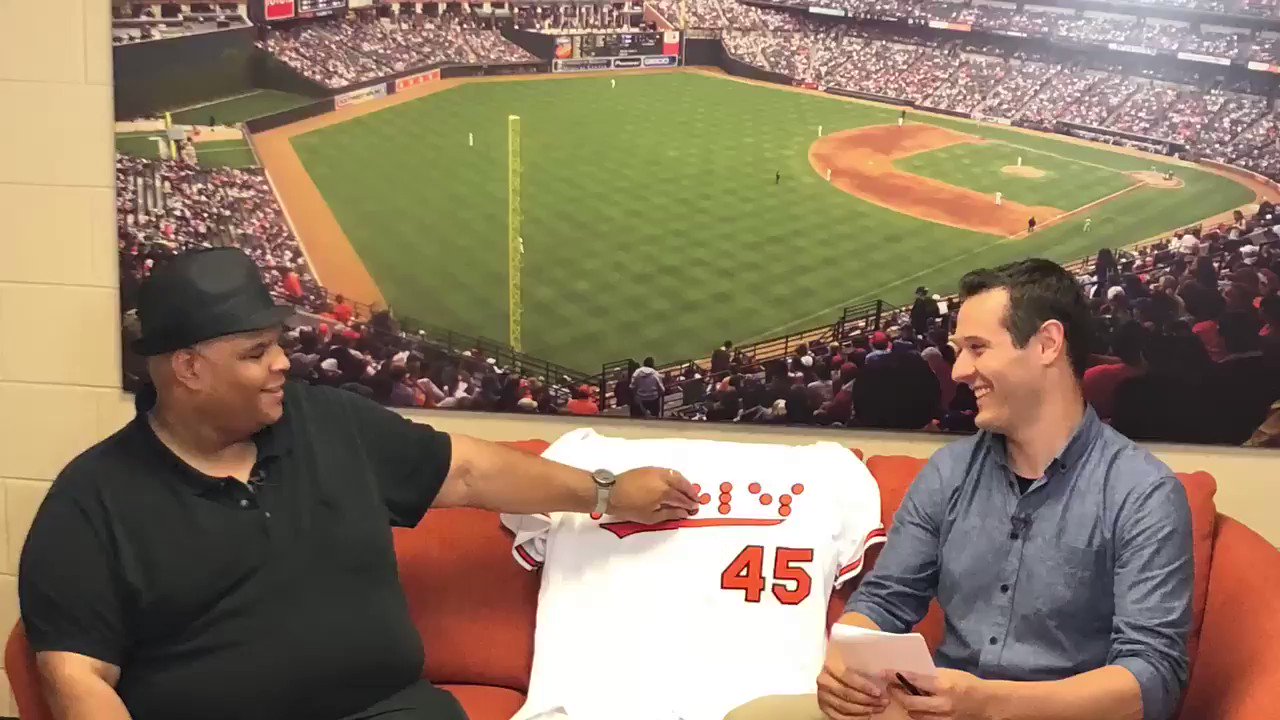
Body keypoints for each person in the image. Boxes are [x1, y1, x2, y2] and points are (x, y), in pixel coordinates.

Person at [19, 249, 699, 720]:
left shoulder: (329, 422)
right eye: (256, 354)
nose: (284, 362)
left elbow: (467, 470)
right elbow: (76, 677)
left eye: (277, 342)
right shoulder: (93, 500)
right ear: (188, 370)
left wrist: (607, 491)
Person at [728, 258, 1192, 720]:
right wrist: (848, 656)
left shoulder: (1142, 492)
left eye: (977, 347)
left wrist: (989, 704)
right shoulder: (949, 471)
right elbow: (886, 598)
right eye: (958, 349)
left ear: (1048, 344)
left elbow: (1151, 680)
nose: (958, 371)